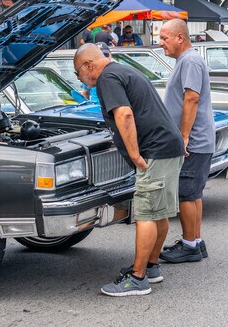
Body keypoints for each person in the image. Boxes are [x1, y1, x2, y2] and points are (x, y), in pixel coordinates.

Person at [73, 44, 185, 297]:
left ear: (89, 65)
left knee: (145, 214)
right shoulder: (123, 71)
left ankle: (137, 278)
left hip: (154, 151)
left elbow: (124, 115)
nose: (80, 78)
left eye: (78, 73)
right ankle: (151, 266)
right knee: (159, 212)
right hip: (169, 146)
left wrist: (134, 154)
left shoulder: (107, 78)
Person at [158, 19, 215, 263]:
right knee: (193, 193)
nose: (161, 43)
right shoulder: (187, 60)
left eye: (164, 38)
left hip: (193, 141)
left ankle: (190, 246)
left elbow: (191, 99)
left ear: (180, 37)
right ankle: (195, 240)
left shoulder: (190, 61)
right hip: (198, 139)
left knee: (185, 193)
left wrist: (183, 137)